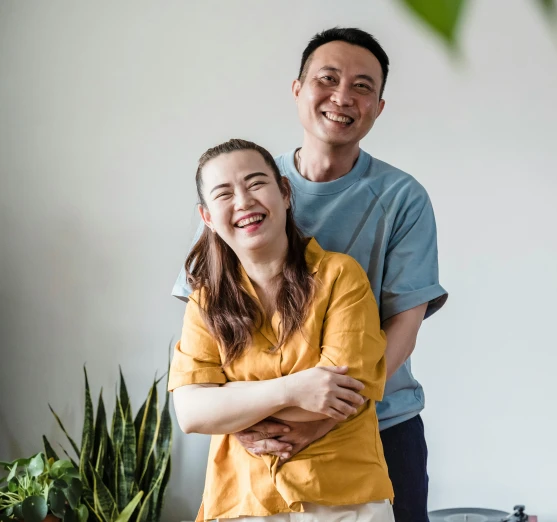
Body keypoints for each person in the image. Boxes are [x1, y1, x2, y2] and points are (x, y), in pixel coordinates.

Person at [173, 27, 448, 521]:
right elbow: (207, 329)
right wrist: (260, 411)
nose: (342, 97)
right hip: (257, 441)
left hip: (380, 427)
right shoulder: (246, 182)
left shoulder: (402, 198)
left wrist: (323, 421)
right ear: (298, 89)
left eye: (363, 86)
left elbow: (403, 328)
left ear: (379, 107)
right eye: (328, 78)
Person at [168, 138, 395, 521]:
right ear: (207, 217)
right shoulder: (205, 301)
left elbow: (338, 395)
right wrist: (293, 389)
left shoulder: (341, 276)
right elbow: (191, 413)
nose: (243, 202)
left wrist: (230, 401)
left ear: (285, 193)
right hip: (242, 499)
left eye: (256, 183)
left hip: (345, 497)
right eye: (224, 194)